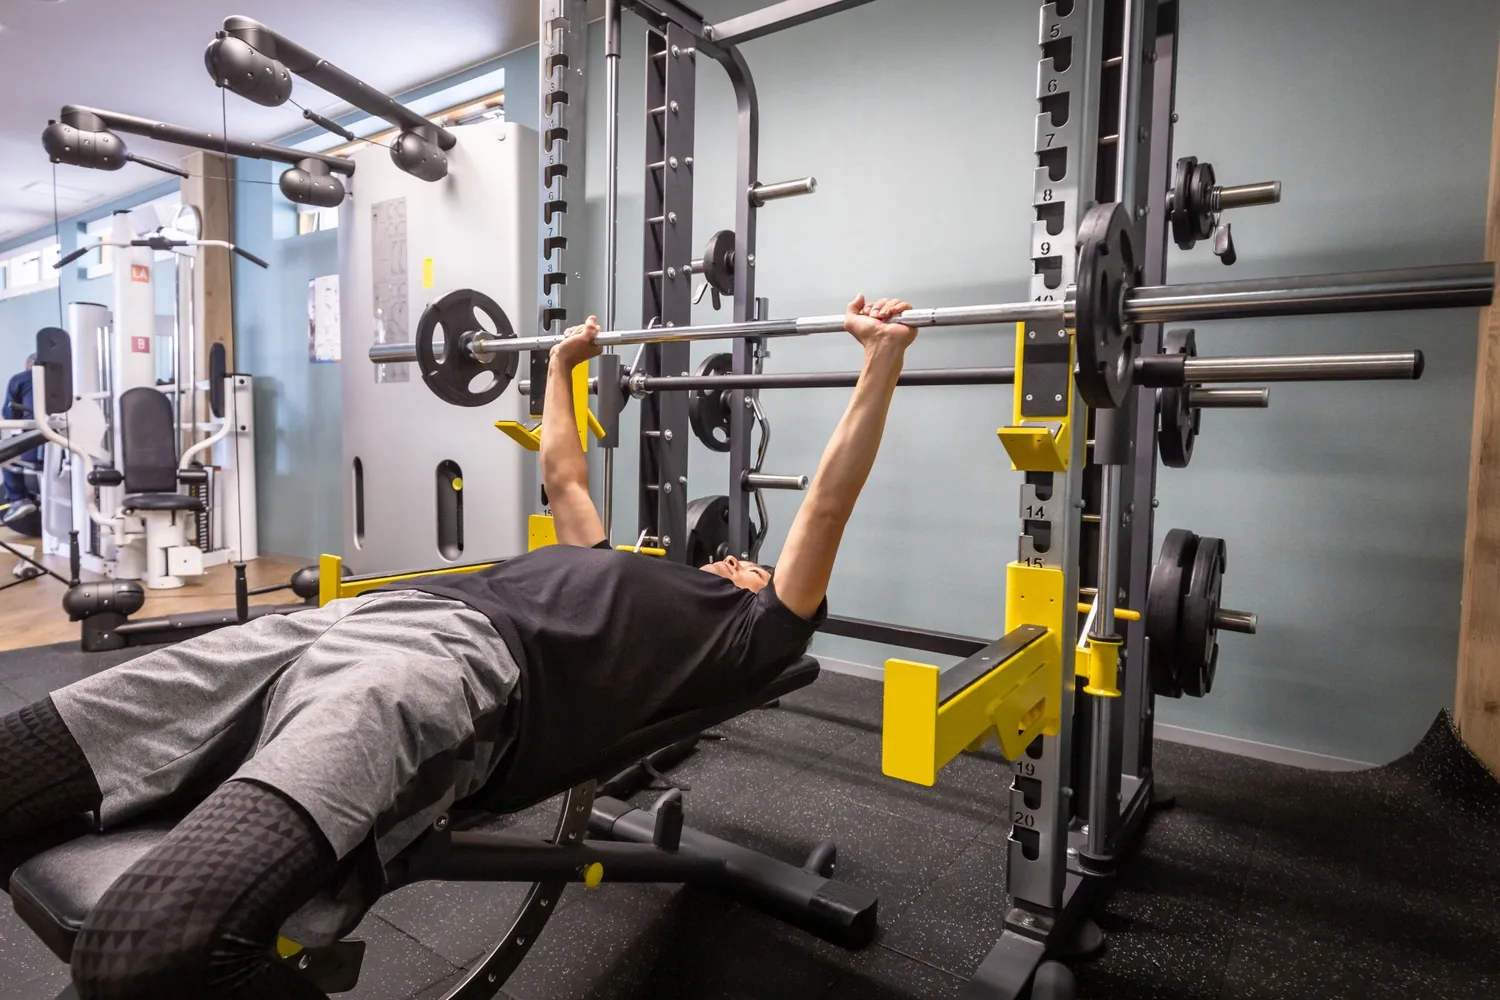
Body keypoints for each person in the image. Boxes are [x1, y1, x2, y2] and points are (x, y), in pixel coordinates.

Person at [0, 295, 919, 999]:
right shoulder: (601, 559)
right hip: (353, 623)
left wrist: (878, 363)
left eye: (750, 564)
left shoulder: (751, 634)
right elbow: (563, 469)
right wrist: (562, 364)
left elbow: (826, 506)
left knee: (148, 951)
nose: (732, 557)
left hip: (445, 675)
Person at [2, 354, 42, 530]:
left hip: (35, 446)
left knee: (5, 453)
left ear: (28, 366)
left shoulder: (21, 379)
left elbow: (11, 417)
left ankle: (19, 499)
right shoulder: (69, 379)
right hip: (68, 445)